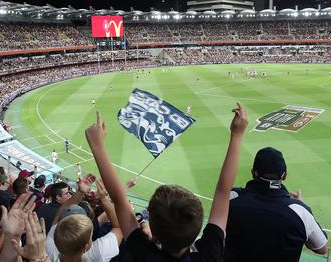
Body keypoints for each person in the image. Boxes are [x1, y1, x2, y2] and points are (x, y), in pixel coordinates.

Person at [85, 103, 247, 261]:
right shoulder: (209, 254)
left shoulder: (142, 252)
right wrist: (237, 135)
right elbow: (223, 193)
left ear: (153, 231)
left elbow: (119, 199)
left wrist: (97, 145)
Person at [224, 147, 328, 262]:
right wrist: (303, 206)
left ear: (253, 172)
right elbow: (321, 248)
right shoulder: (300, 211)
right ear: (284, 175)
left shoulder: (230, 198)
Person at [46, 178, 122, 262]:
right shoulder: (98, 254)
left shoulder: (49, 247)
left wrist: (80, 192)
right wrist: (103, 198)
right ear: (87, 246)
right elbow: (118, 227)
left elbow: (58, 216)